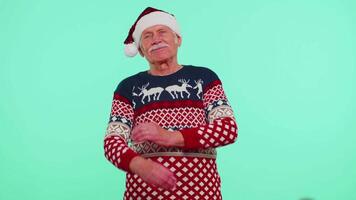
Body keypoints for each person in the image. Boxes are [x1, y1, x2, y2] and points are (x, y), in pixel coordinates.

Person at [103, 7, 238, 200]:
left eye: (162, 32)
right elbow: (112, 142)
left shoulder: (204, 78)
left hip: (202, 194)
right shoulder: (128, 88)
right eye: (147, 36)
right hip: (143, 195)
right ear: (140, 50)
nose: (156, 39)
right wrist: (140, 165)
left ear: (178, 39)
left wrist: (171, 137)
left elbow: (227, 129)